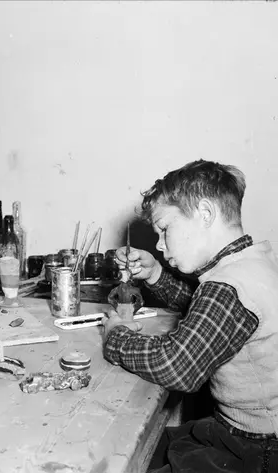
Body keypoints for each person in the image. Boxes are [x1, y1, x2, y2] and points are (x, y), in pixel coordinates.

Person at [102, 159, 278, 473]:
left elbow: (177, 366)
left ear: (205, 214)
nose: (159, 244)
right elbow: (206, 314)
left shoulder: (227, 287)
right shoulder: (250, 263)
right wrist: (155, 274)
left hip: (257, 451)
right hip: (246, 436)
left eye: (164, 229)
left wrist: (116, 336)